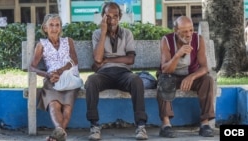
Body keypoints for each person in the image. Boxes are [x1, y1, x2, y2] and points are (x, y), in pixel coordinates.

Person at [85, 2, 148, 140]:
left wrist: (107, 60)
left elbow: (130, 59)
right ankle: (94, 126)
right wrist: (103, 32)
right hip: (104, 74)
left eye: (115, 16)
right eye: (108, 16)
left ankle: (141, 126)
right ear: (102, 17)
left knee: (136, 80)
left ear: (120, 17)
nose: (112, 20)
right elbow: (97, 59)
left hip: (123, 74)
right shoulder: (97, 34)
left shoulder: (127, 34)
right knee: (91, 81)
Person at [156, 16, 215, 138]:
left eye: (191, 30)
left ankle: (205, 124)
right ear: (176, 31)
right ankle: (166, 125)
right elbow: (165, 69)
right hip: (171, 76)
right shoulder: (166, 40)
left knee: (208, 80)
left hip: (191, 76)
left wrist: (192, 77)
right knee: (163, 81)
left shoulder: (198, 40)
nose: (188, 34)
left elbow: (204, 67)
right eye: (184, 31)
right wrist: (177, 55)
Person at [30, 14, 80, 141]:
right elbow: (32, 67)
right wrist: (48, 74)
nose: (54, 28)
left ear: (61, 27)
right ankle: (59, 136)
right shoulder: (42, 44)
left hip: (69, 78)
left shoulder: (68, 41)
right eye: (51, 25)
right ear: (45, 28)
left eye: (57, 25)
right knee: (54, 104)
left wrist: (61, 70)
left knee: (67, 106)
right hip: (52, 80)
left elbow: (74, 60)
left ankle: (56, 136)